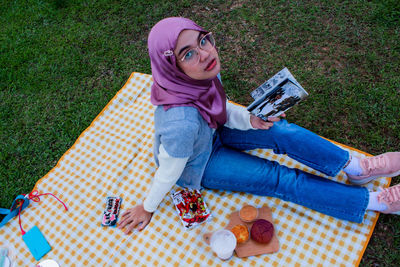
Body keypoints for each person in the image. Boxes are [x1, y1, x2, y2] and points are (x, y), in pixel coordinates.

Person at [118, 17, 400, 234]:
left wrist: (249, 120)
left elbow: (220, 109)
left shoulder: (198, 78)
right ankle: (376, 201)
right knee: (279, 178)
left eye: (203, 40)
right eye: (187, 53)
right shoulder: (179, 123)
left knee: (280, 130)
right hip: (199, 162)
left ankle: (357, 168)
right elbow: (170, 168)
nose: (204, 53)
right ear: (171, 67)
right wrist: (147, 206)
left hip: (212, 131)